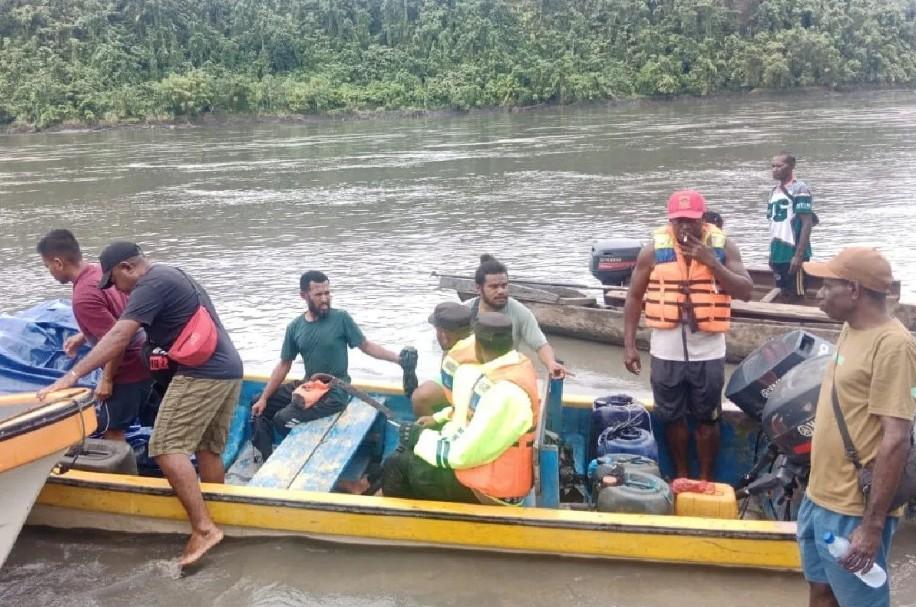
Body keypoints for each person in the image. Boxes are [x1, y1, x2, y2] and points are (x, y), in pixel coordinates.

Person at [38, 241, 243, 568]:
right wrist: (83, 336)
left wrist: (72, 375)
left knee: (164, 447)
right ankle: (223, 514)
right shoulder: (169, 275)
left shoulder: (150, 284)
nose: (116, 289)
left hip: (202, 374)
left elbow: (121, 335)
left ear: (128, 268)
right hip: (228, 368)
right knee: (207, 448)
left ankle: (204, 528)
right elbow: (136, 328)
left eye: (115, 281)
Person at [795, 248, 915, 607]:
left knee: (862, 603)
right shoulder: (851, 328)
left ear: (854, 290)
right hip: (819, 496)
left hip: (852, 508)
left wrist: (872, 525)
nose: (819, 294)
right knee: (821, 589)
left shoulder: (893, 346)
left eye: (827, 286)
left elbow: (896, 439)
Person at [623, 190, 753, 480]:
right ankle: (681, 475)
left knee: (708, 417)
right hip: (666, 348)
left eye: (691, 221)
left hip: (707, 349)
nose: (684, 227)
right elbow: (633, 297)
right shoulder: (652, 250)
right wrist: (629, 345)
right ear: (670, 220)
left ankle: (706, 479)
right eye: (678, 221)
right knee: (670, 416)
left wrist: (713, 263)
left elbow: (745, 290)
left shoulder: (724, 247)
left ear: (703, 220)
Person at [251, 270, 414, 460]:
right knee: (257, 403)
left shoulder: (341, 318)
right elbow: (284, 364)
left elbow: (367, 346)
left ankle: (305, 450)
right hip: (310, 386)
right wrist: (263, 398)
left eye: (327, 293)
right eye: (319, 295)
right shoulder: (295, 327)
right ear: (303, 296)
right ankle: (267, 455)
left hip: (334, 393)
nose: (325, 299)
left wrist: (398, 360)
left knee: (281, 418)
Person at [382, 312, 539, 504]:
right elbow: (471, 412)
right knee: (410, 450)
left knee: (396, 465)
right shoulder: (509, 367)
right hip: (486, 469)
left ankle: (405, 526)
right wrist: (437, 419)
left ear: (478, 346)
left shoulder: (505, 393)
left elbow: (461, 455)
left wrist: (419, 437)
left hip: (491, 491)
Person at [36, 230, 153, 441]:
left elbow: (116, 341)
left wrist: (106, 379)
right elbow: (120, 314)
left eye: (47, 266)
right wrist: (84, 334)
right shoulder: (102, 270)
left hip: (127, 370)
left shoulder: (83, 296)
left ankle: (122, 474)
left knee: (113, 430)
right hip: (148, 356)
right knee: (155, 420)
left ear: (58, 263)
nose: (49, 272)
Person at [464, 254, 567, 379]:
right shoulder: (465, 311)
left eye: (504, 285)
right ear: (479, 289)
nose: (501, 291)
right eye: (494, 287)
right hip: (471, 375)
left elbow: (540, 345)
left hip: (505, 375)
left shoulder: (520, 312)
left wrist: (551, 363)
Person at [411, 302, 474, 418]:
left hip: (466, 390)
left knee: (420, 398)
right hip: (455, 380)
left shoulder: (459, 357)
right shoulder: (465, 343)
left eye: (437, 330)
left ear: (443, 335)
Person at [768, 152, 815, 302]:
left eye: (779, 166)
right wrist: (771, 254)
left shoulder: (799, 189)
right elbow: (775, 226)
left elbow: (806, 222)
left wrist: (798, 255)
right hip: (778, 252)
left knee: (797, 294)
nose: (775, 169)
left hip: (793, 252)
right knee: (783, 292)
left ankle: (800, 324)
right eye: (773, 166)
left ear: (791, 166)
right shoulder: (774, 192)